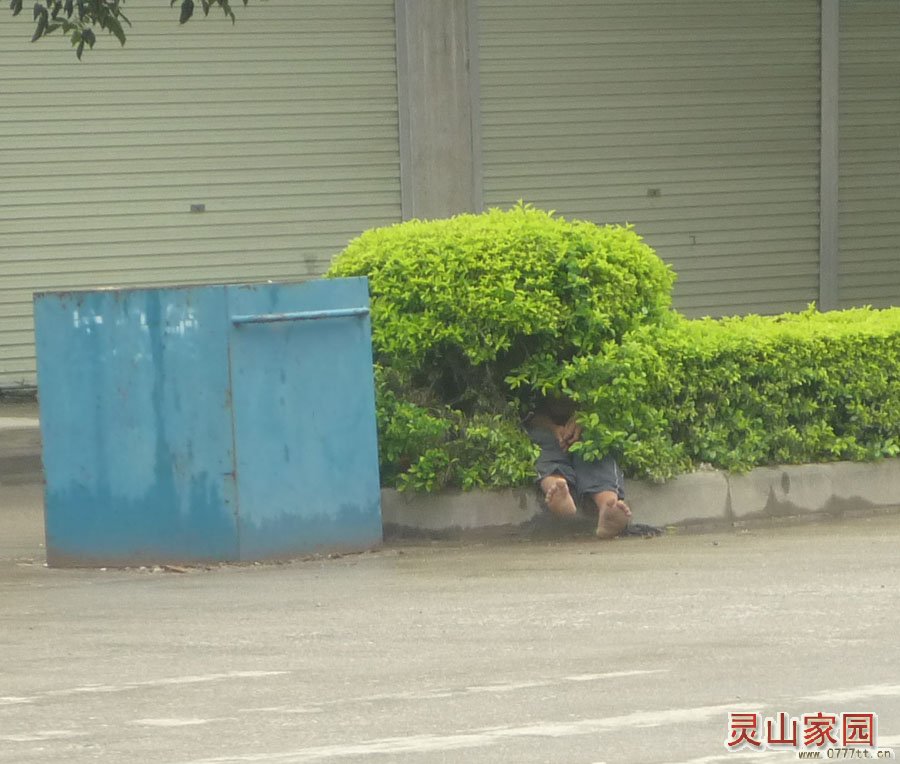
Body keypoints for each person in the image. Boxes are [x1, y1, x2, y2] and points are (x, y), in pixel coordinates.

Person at [526, 397, 632, 539]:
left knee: (596, 450)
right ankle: (558, 493)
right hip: (545, 431)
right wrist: (554, 428)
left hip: (587, 429)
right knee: (544, 450)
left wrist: (584, 419)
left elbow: (607, 405)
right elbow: (527, 414)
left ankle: (608, 507)